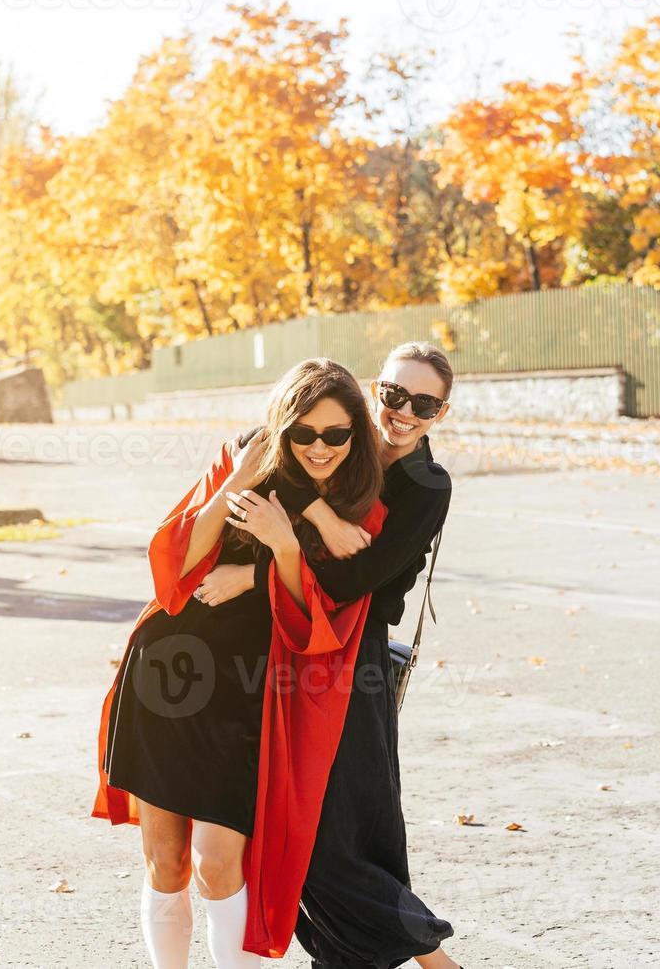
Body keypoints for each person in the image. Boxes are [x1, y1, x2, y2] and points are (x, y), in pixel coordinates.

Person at [93, 358, 389, 968]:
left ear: (356, 433)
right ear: (283, 428)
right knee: (165, 860)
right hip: (170, 672)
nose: (319, 447)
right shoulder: (244, 457)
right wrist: (235, 484)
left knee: (219, 861)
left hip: (250, 693)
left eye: (336, 433)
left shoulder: (363, 508)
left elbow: (327, 614)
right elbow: (175, 564)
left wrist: (274, 555)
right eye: (303, 433)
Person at [201, 342, 461, 968]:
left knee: (344, 834)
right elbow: (258, 443)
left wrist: (250, 576)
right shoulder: (342, 437)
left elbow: (354, 582)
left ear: (441, 413)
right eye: (395, 394)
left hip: (354, 663)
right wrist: (321, 514)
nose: (404, 412)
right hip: (294, 646)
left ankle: (435, 961)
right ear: (377, 388)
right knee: (310, 827)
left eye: (423, 404)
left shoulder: (426, 485)